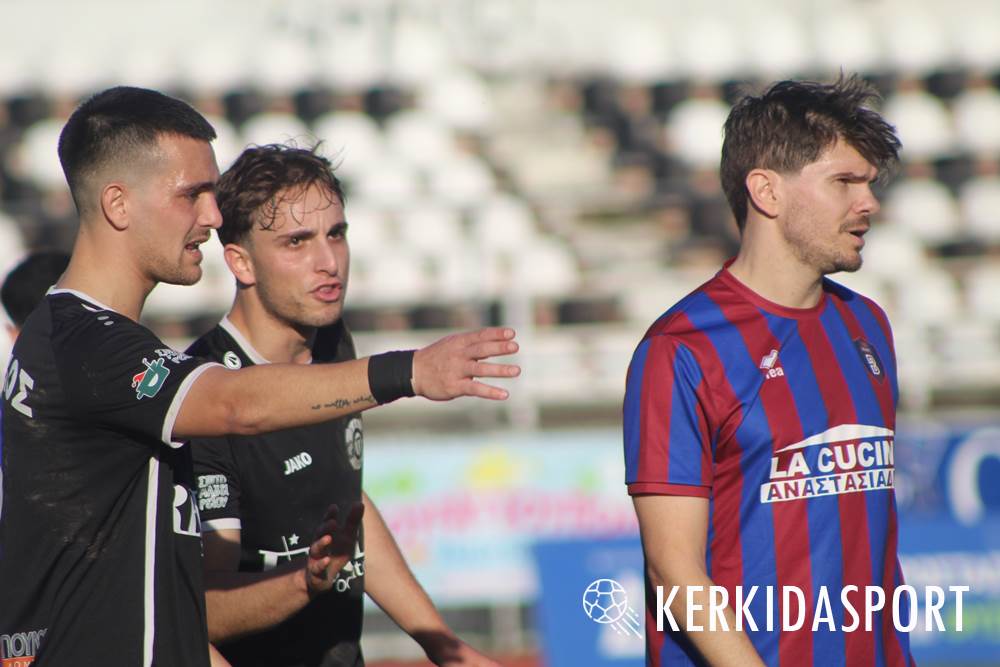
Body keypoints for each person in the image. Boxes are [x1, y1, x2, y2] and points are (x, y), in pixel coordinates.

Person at [0, 86, 519, 667]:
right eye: (192, 194)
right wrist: (410, 371)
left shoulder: (90, 341)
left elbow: (166, 609)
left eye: (337, 234)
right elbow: (236, 406)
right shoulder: (85, 342)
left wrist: (442, 645)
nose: (213, 216)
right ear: (119, 205)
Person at [624, 76, 914, 666]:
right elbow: (674, 568)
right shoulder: (682, 348)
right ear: (767, 192)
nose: (869, 203)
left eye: (869, 183)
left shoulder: (868, 325)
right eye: (844, 182)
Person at [187, 143, 499, 667]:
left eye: (336, 234)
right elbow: (203, 612)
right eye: (297, 242)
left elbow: (345, 504)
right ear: (241, 262)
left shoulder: (331, 341)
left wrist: (443, 645)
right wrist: (304, 583)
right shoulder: (202, 397)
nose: (328, 262)